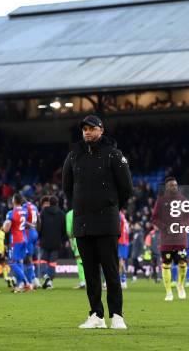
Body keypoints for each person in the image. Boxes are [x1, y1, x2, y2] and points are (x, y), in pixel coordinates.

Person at [62, 115, 133, 329]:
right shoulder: (74, 155)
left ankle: (117, 315)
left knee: (111, 270)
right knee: (91, 273)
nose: (87, 132)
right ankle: (96, 316)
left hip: (106, 221)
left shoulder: (113, 154)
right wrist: (82, 206)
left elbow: (126, 188)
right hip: (82, 222)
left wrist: (111, 206)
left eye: (92, 129)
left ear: (101, 130)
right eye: (84, 129)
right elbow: (67, 187)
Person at [152, 177, 189, 302]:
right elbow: (155, 218)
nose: (174, 187)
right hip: (166, 240)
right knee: (166, 264)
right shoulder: (161, 201)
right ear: (166, 187)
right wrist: (165, 228)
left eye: (175, 185)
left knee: (182, 263)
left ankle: (180, 285)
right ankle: (168, 291)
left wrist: (182, 226)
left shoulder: (183, 200)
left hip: (181, 239)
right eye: (171, 185)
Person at [3, 194, 31, 292]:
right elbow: (25, 223)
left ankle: (26, 282)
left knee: (12, 263)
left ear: (13, 201)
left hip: (16, 240)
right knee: (20, 262)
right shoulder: (25, 211)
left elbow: (6, 228)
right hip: (24, 239)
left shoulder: (11, 212)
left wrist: (4, 226)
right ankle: (20, 286)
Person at [37, 195, 66, 289]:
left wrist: (39, 236)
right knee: (52, 262)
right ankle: (50, 281)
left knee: (43, 260)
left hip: (45, 241)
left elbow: (39, 226)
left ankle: (45, 277)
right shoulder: (61, 214)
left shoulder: (43, 212)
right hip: (56, 242)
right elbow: (63, 229)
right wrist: (63, 240)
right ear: (57, 203)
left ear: (49, 202)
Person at [66, 209, 86, 289]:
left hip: (77, 238)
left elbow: (68, 230)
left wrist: (71, 240)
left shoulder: (70, 214)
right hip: (90, 238)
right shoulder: (87, 210)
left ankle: (82, 282)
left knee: (80, 261)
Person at [22, 199, 40, 288]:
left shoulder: (24, 207)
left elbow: (22, 220)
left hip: (28, 232)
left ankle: (30, 281)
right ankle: (34, 279)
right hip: (34, 233)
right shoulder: (35, 207)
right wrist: (37, 231)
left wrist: (30, 225)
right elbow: (39, 220)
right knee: (32, 257)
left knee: (27, 257)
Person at [118, 210, 130, 289]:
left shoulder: (119, 216)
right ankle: (123, 280)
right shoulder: (124, 219)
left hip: (120, 241)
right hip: (125, 242)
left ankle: (121, 280)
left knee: (120, 262)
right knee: (122, 262)